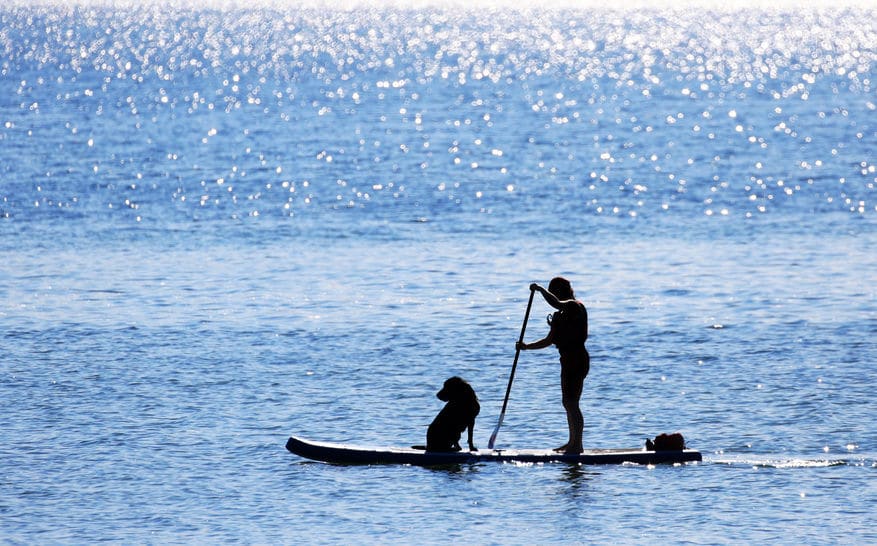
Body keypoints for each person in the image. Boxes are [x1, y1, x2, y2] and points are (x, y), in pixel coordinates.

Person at [516, 277, 589, 454]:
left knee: (572, 403)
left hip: (577, 359)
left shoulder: (574, 305)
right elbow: (549, 340)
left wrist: (540, 290)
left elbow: (555, 303)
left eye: (553, 291)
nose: (553, 295)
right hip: (566, 360)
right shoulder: (560, 315)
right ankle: (572, 442)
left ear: (562, 291)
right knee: (567, 402)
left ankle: (577, 445)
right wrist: (526, 346)